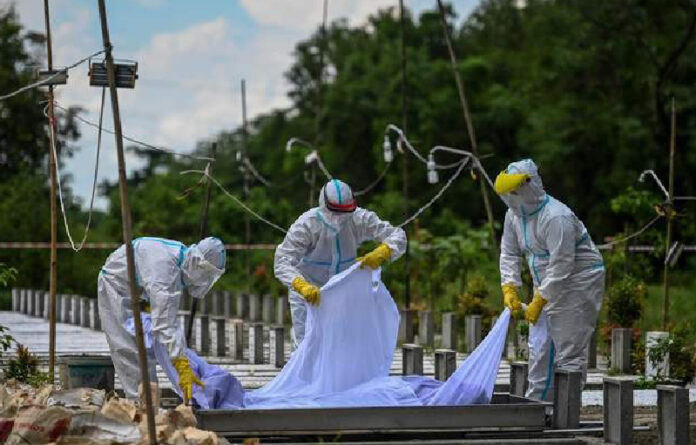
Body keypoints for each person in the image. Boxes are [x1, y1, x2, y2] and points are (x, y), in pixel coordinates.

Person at [494, 159, 604, 401]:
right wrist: (509, 287)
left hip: (578, 280)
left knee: (568, 348)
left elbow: (563, 263)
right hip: (546, 282)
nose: (511, 199)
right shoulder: (513, 216)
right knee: (540, 346)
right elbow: (509, 252)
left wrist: (541, 299)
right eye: (506, 194)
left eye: (514, 192)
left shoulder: (556, 217)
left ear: (529, 186)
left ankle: (566, 411)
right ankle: (538, 406)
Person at [274, 179, 407, 346]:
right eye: (335, 212)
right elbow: (282, 261)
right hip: (307, 292)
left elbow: (398, 236)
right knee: (307, 344)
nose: (340, 218)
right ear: (323, 205)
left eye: (345, 212)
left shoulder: (358, 218)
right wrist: (300, 285)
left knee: (344, 343)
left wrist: (383, 252)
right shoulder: (307, 225)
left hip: (343, 290)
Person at [98, 236, 225, 401]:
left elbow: (168, 319)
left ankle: (150, 402)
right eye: (206, 274)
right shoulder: (164, 271)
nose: (205, 280)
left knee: (146, 349)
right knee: (130, 351)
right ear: (198, 263)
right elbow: (164, 324)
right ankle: (140, 408)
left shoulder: (178, 259)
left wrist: (180, 357)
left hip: (137, 291)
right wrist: (181, 364)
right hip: (116, 289)